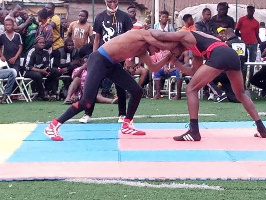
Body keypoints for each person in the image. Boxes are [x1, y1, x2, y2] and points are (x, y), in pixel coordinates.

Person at [44, 29, 175, 141]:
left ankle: (127, 125)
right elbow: (159, 39)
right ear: (154, 40)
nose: (156, 52)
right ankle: (53, 125)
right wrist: (175, 44)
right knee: (86, 102)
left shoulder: (143, 50)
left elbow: (153, 67)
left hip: (111, 64)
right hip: (99, 60)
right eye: (157, 49)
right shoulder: (143, 34)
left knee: (137, 91)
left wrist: (168, 57)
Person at [150, 29, 266, 141]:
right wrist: (176, 63)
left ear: (174, 43)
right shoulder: (195, 50)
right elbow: (194, 72)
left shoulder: (186, 35)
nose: (171, 53)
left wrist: (143, 33)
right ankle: (261, 128)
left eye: (171, 50)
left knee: (191, 89)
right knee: (240, 94)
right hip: (231, 55)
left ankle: (194, 131)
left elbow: (160, 35)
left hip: (220, 54)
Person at [88, 0, 133, 124]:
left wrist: (128, 58)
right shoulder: (100, 17)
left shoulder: (124, 17)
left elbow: (130, 38)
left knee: (120, 85)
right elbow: (97, 38)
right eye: (109, 0)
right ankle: (87, 113)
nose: (112, 3)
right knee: (94, 83)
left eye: (114, 0)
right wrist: (94, 56)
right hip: (103, 56)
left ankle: (122, 114)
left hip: (120, 55)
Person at [24, 36, 59, 101]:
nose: (42, 44)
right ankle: (41, 94)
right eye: (40, 43)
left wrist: (47, 70)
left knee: (55, 71)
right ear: (36, 43)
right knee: (37, 75)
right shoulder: (31, 52)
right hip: (29, 72)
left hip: (42, 71)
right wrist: (41, 71)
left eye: (43, 43)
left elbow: (48, 64)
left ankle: (47, 90)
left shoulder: (46, 52)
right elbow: (27, 66)